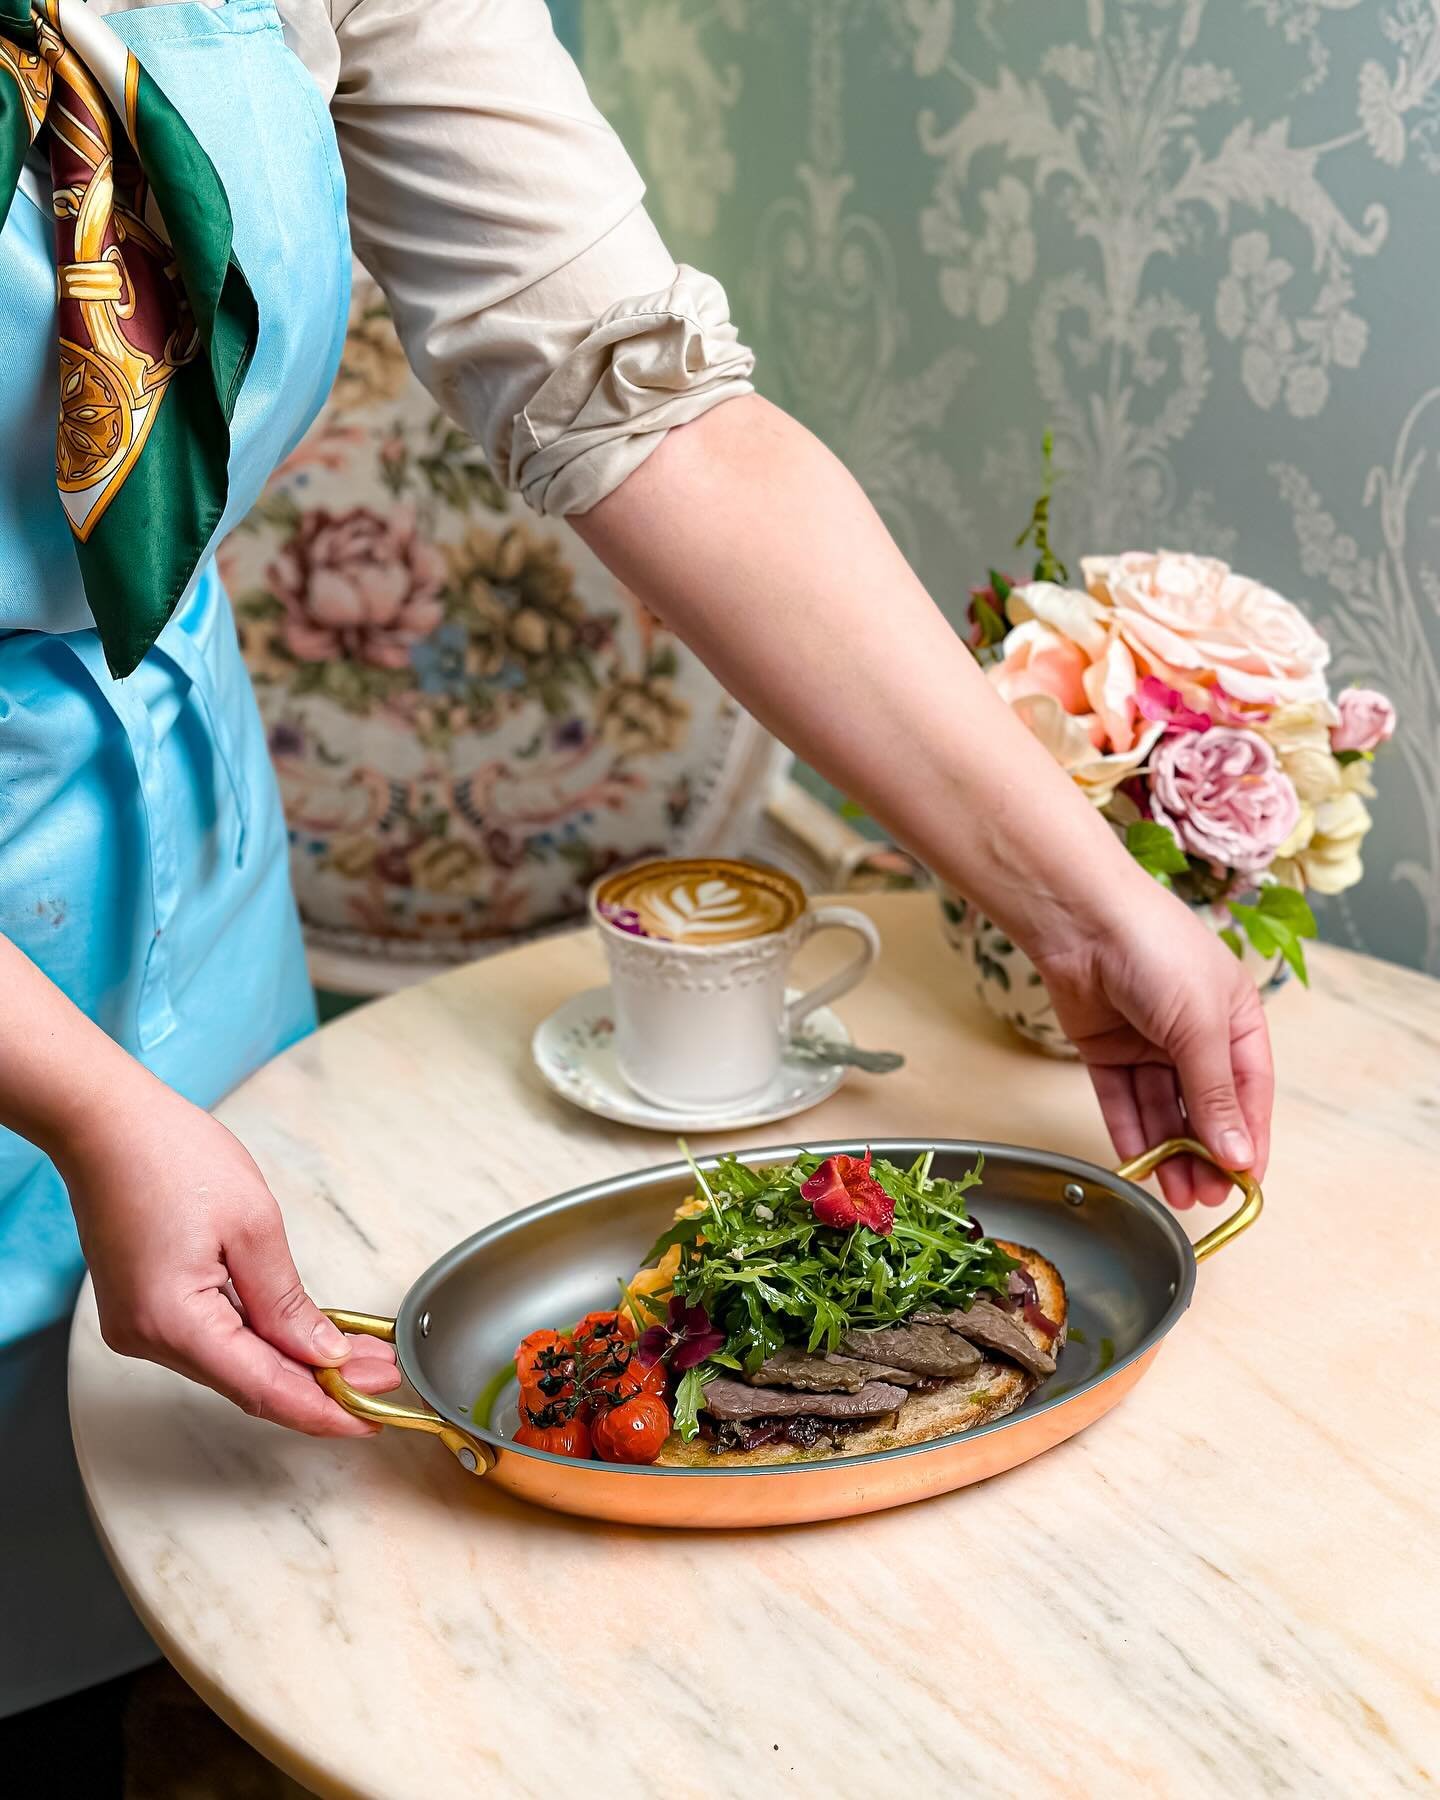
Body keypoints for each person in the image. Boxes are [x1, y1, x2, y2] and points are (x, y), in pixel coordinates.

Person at [0, 0, 1271, 1714]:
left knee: (205, 1619)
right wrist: (80, 1099)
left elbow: (646, 402)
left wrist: (1083, 896)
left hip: (194, 891)